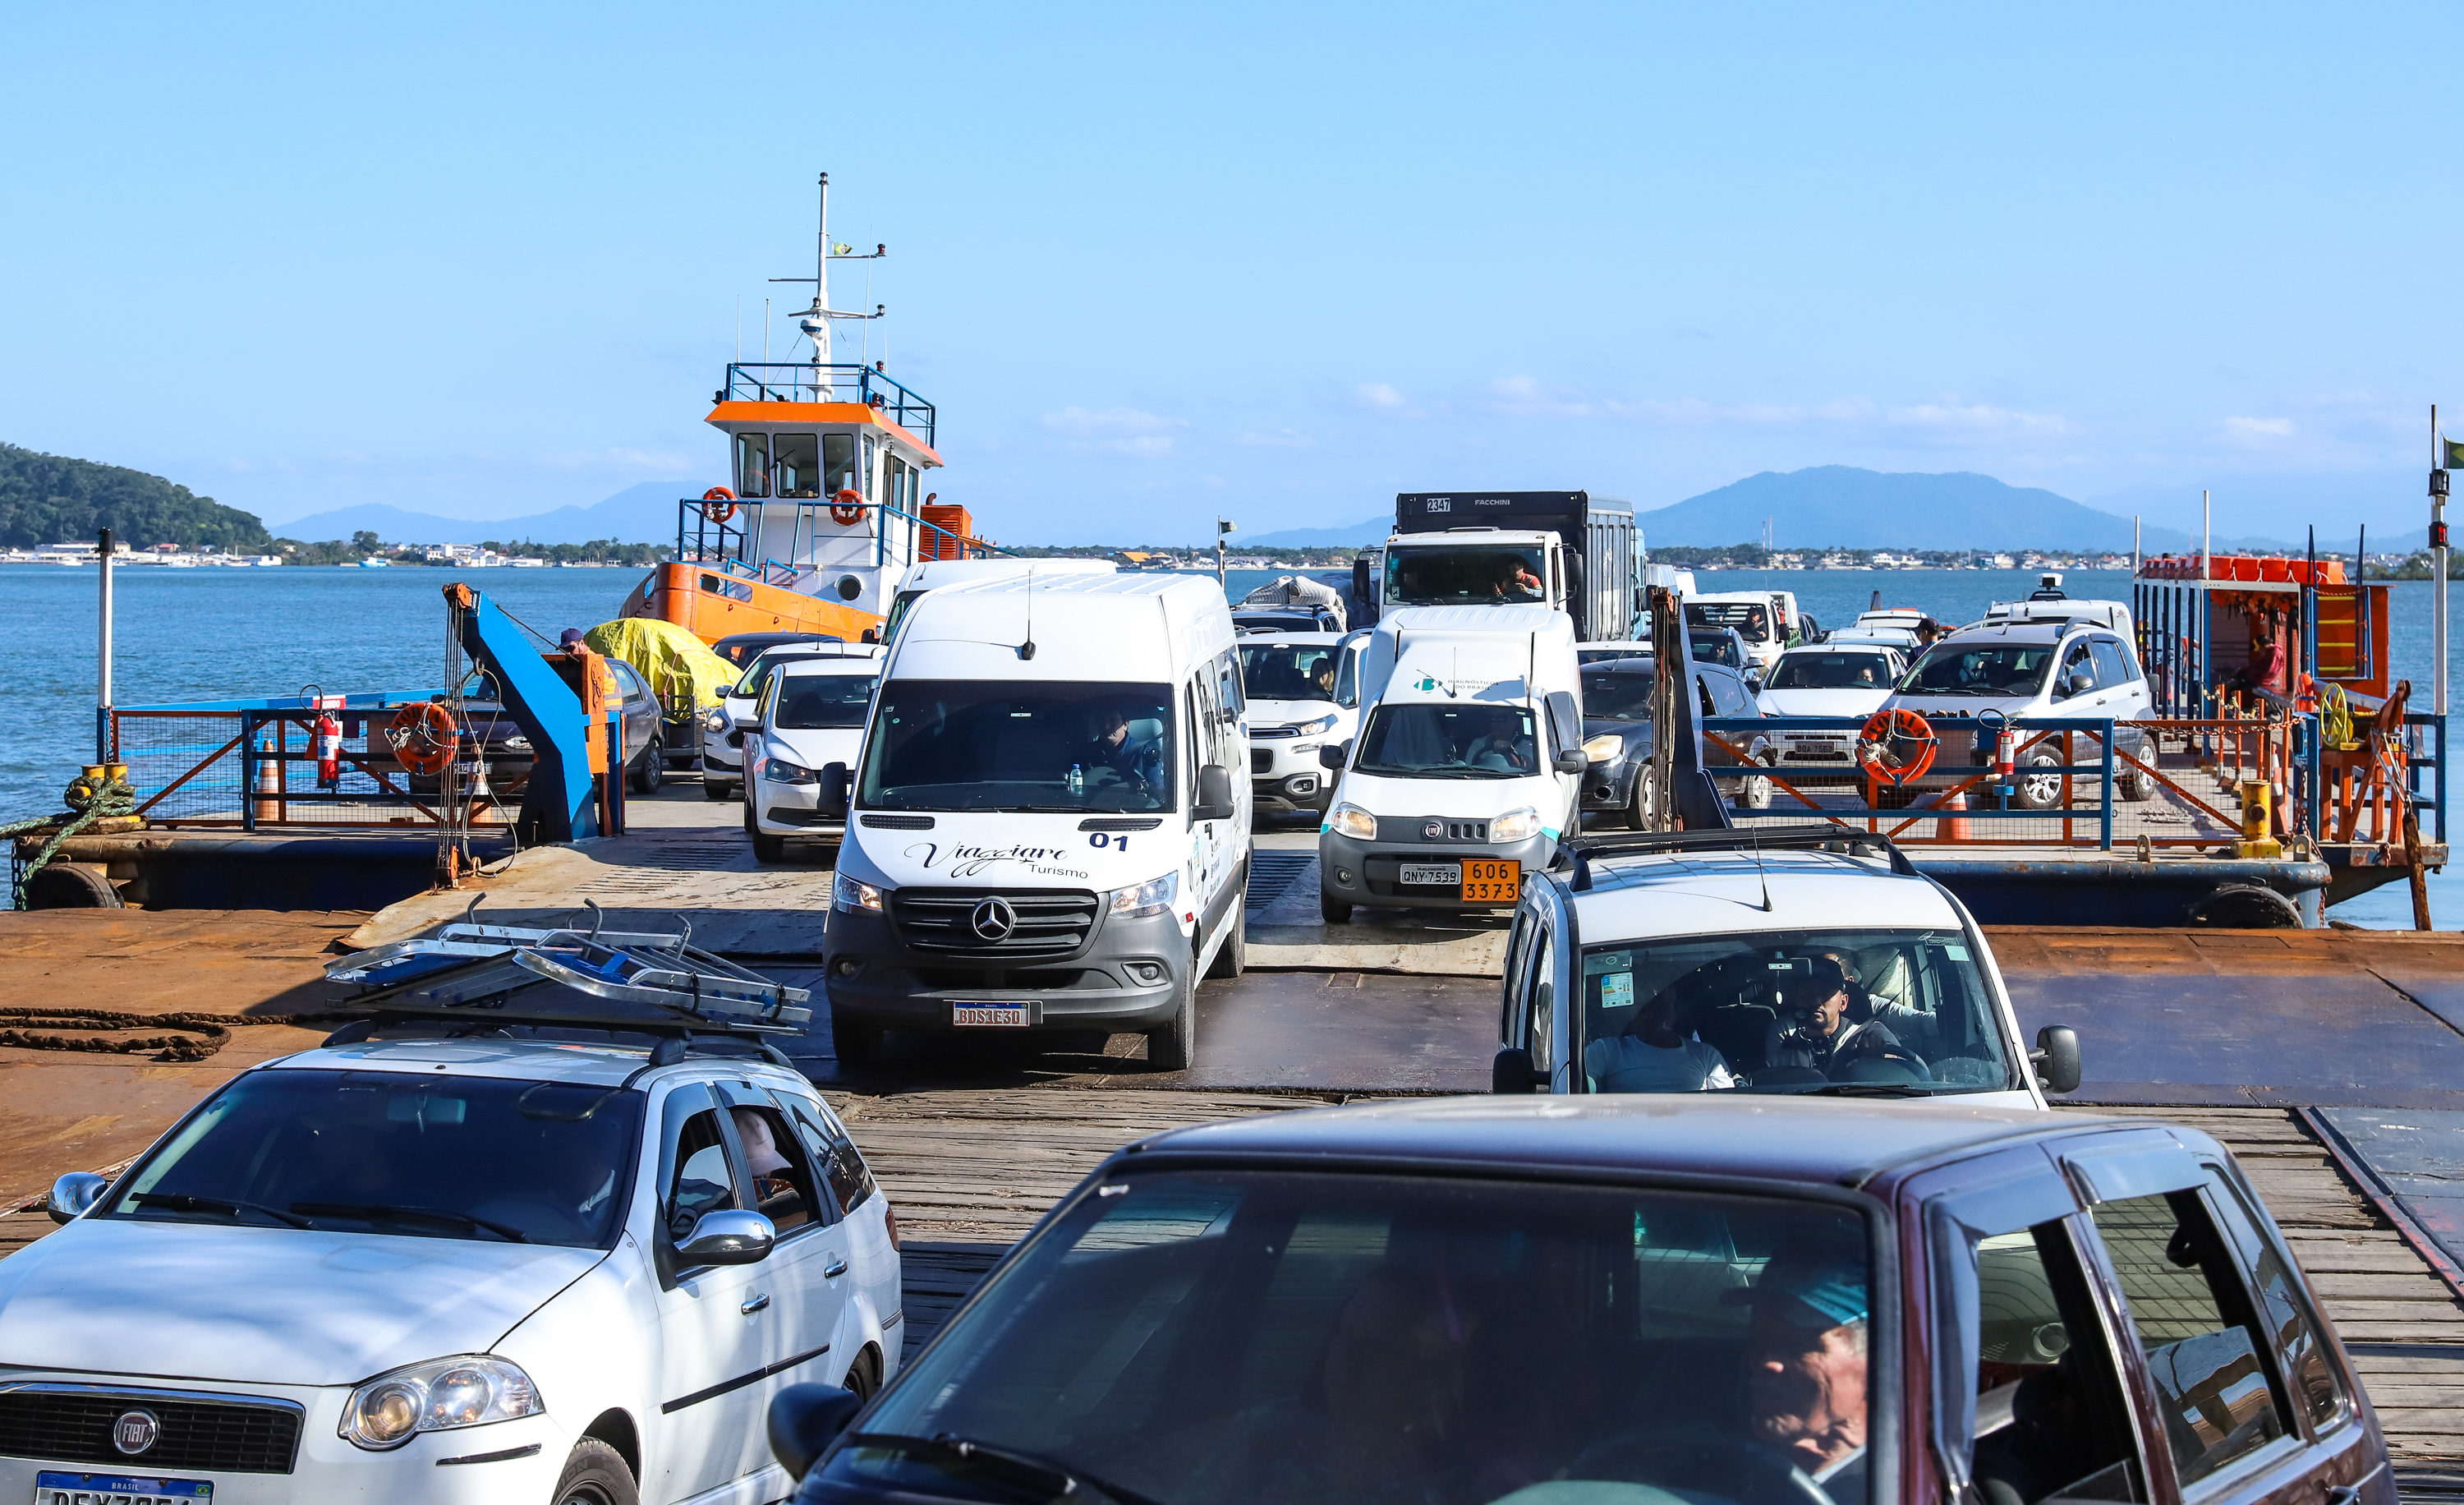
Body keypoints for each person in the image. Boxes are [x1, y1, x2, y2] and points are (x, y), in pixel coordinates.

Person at [1735, 1241, 1872, 1494]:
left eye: (1798, 1345)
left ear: (1873, 1367)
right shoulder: (1728, 1463)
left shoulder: (1900, 1487)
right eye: (1760, 1339)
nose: (1766, 1363)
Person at [1760, 955, 1919, 1077]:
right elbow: (1771, 1081)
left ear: (1843, 1002)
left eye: (1825, 994)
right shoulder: (1785, 1036)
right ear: (1797, 1000)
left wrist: (1885, 1058)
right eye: (1807, 994)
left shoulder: (1870, 1033)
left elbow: (1905, 1074)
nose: (1816, 1001)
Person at [1583, 982, 1737, 1091]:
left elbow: (1728, 1109)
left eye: (1658, 1006)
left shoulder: (1706, 1055)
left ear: (1675, 1011)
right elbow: (1575, 1092)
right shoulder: (1605, 1051)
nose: (1648, 1015)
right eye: (1641, 1007)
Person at [1088, 707, 1167, 788]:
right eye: (1101, 721)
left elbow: (1155, 791)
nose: (1106, 726)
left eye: (1113, 721)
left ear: (1125, 725)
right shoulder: (1087, 753)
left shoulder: (1146, 755)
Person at [1462, 710, 1534, 772]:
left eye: (1502, 718)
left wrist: (1510, 752)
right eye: (1493, 719)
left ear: (1515, 722)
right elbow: (1469, 769)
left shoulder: (1526, 745)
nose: (1496, 723)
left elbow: (1529, 766)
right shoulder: (1479, 744)